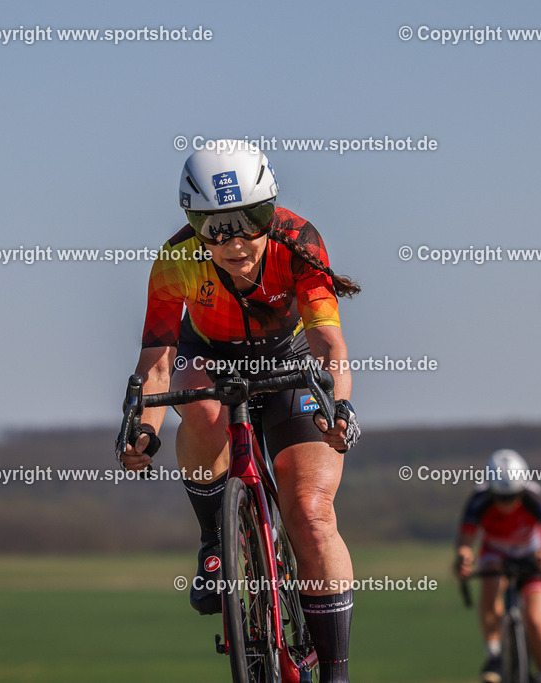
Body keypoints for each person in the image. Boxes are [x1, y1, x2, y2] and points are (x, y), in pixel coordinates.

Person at [117, 141, 361, 682]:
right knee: (198, 406)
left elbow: (327, 344)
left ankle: (336, 674)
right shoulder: (176, 259)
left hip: (288, 362)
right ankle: (215, 540)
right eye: (214, 226)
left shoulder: (299, 242)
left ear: (271, 210)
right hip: (210, 357)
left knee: (312, 517)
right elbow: (156, 364)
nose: (235, 240)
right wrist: (142, 431)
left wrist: (337, 404)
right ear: (192, 224)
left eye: (252, 218)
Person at [454, 449, 541, 683]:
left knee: (536, 619)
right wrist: (464, 556)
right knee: (491, 583)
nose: (507, 503)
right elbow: (465, 540)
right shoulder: (479, 499)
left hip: (532, 554)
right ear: (490, 490)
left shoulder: (533, 497)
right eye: (501, 497)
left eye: (513, 496)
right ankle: (494, 656)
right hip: (496, 552)